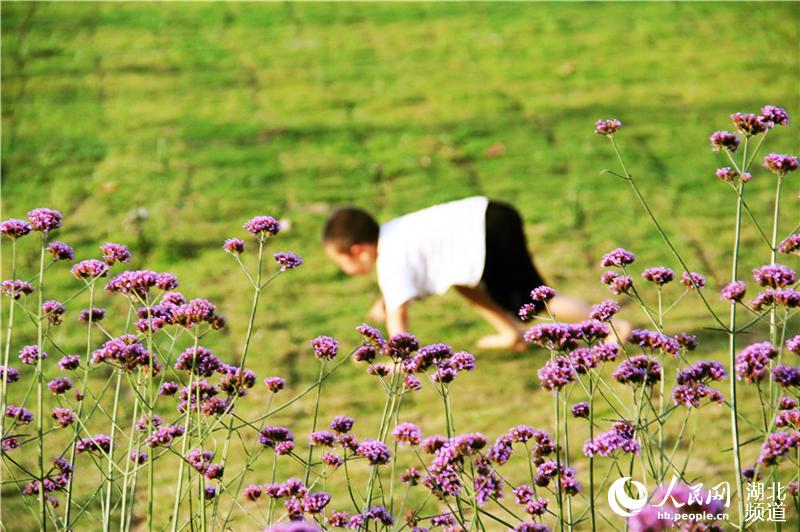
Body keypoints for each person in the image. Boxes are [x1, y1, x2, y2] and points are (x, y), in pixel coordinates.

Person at [322, 196, 631, 350]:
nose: (346, 271)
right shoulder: (392, 237)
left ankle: (613, 326)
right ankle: (509, 333)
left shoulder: (389, 257)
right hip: (489, 217)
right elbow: (401, 291)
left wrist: (400, 358)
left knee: (535, 302)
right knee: (462, 283)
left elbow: (398, 314)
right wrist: (385, 302)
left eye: (342, 264)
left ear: (358, 250)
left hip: (488, 230)